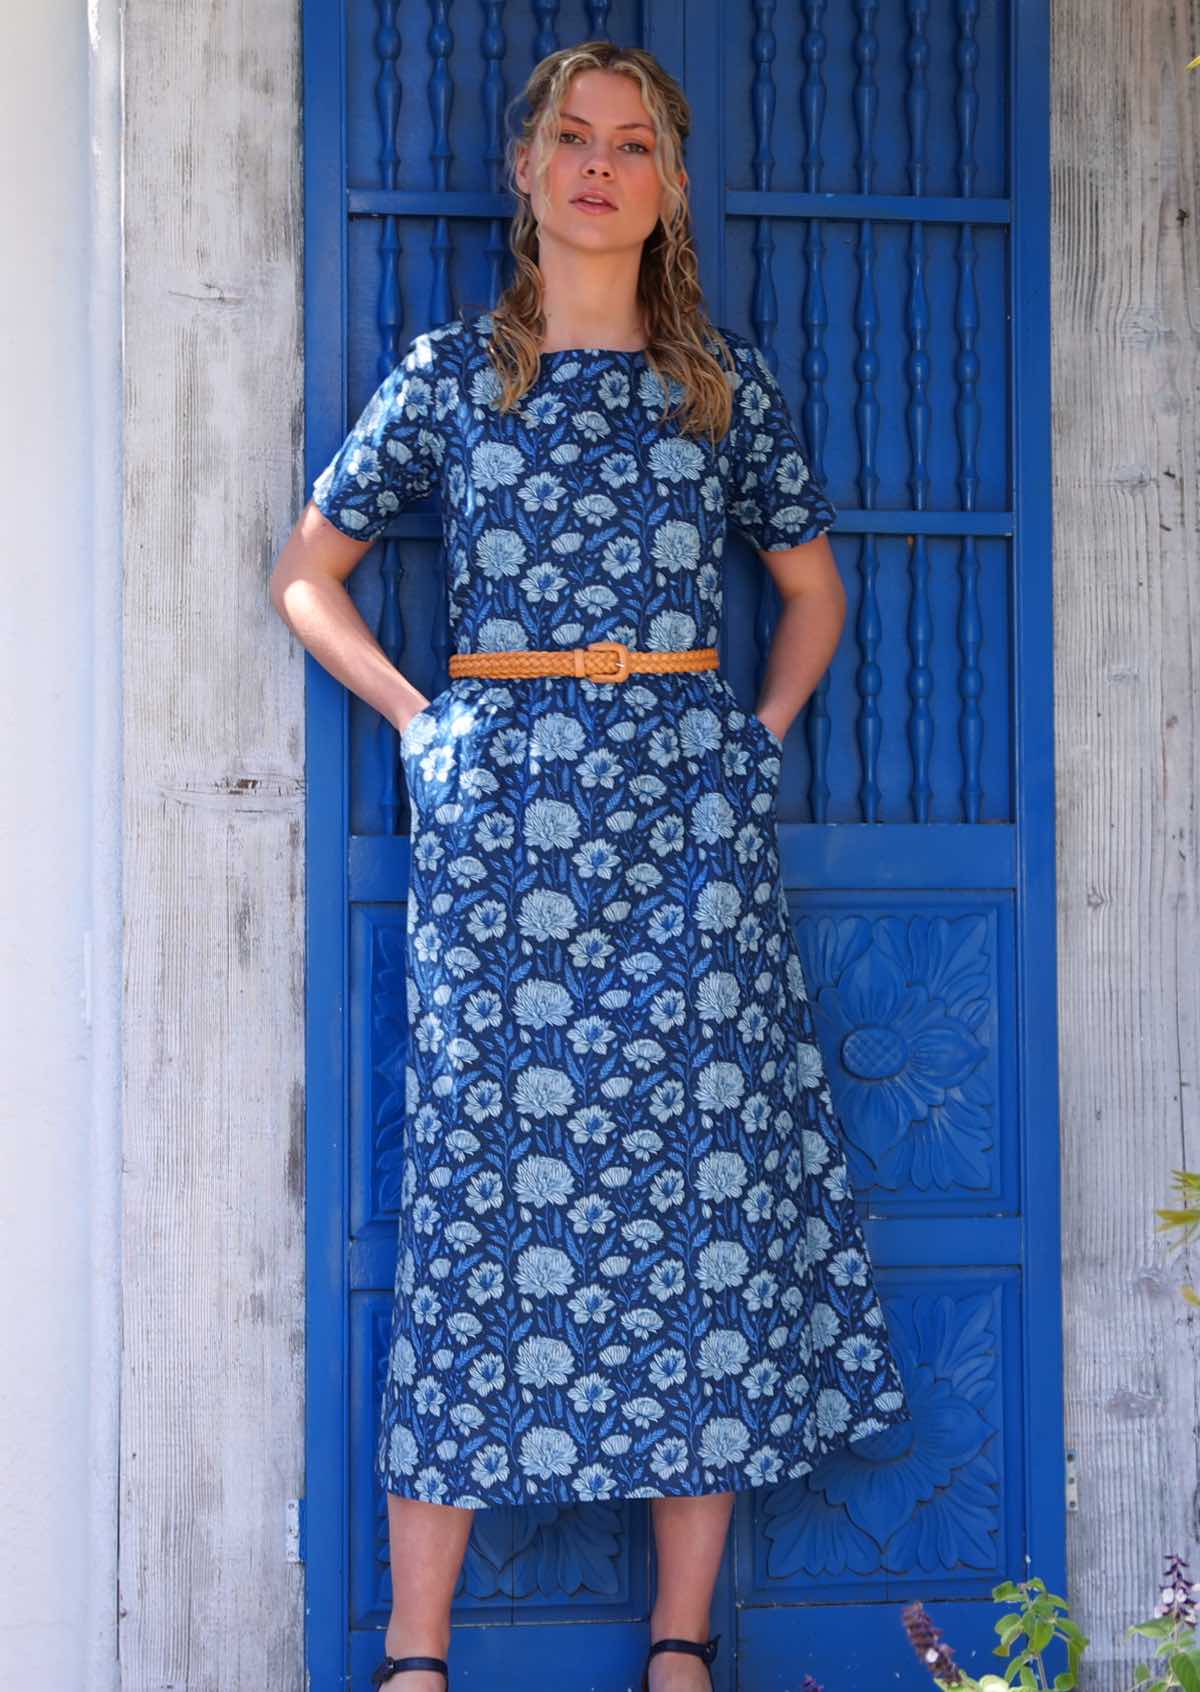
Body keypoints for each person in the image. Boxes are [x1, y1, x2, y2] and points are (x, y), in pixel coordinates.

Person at [270, 38, 912, 1692]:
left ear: (670, 186)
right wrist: (426, 727)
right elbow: (308, 575)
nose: (601, 167)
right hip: (503, 835)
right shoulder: (450, 380)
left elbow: (815, 594)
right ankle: (416, 1656)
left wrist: (751, 738)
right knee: (482, 1207)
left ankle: (679, 1643)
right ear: (529, 169)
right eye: (574, 138)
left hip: (688, 837)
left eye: (632, 145)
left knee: (706, 1210)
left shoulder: (722, 392)